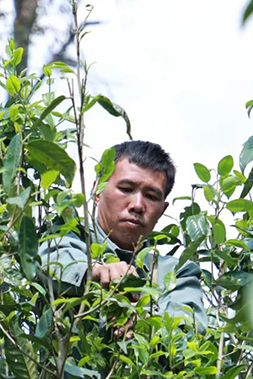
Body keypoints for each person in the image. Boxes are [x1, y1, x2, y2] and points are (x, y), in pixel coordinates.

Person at [47, 140, 207, 331]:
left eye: (151, 196)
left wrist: (146, 324)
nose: (138, 205)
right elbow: (50, 259)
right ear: (97, 191)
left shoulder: (177, 273)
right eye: (126, 189)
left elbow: (189, 333)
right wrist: (94, 272)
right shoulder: (66, 231)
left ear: (163, 209)